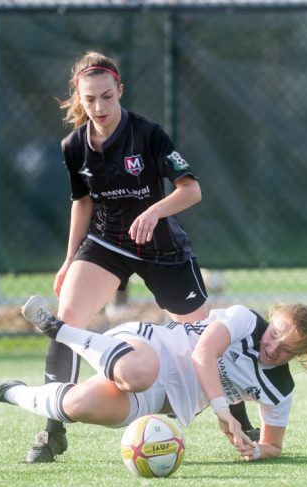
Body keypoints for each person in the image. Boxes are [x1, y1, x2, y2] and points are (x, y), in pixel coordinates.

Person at [28, 50, 255, 463]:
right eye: (90, 99)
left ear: (120, 92)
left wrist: (153, 211)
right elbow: (82, 203)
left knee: (204, 335)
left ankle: (238, 415)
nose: (99, 107)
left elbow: (192, 189)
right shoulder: (73, 146)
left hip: (161, 248)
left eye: (107, 97)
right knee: (65, 323)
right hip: (106, 243)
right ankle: (52, 430)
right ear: (79, 98)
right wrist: (67, 261)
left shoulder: (148, 134)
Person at [0, 295, 307, 461]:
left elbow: (274, 446)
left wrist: (255, 450)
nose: (273, 348)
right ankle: (58, 328)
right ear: (272, 320)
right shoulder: (247, 320)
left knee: (77, 404)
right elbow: (204, 354)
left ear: (301, 355)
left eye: (286, 349)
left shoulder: (280, 390)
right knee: (136, 373)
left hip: (160, 401)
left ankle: (7, 392)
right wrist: (223, 410)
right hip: (152, 349)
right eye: (275, 334)